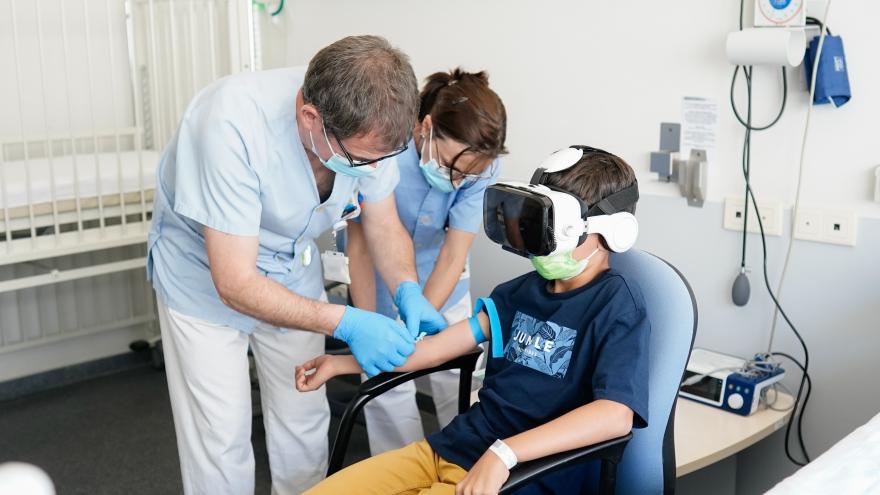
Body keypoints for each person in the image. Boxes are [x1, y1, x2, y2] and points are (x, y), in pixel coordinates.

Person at [146, 35, 447, 495]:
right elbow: (235, 282)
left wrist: (407, 286)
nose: (372, 170)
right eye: (360, 160)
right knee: (220, 436)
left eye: (381, 160)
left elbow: (383, 225)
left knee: (304, 416)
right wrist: (347, 321)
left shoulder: (373, 129)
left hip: (291, 261)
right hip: (204, 277)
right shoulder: (230, 125)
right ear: (310, 119)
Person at [297, 146, 650, 494]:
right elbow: (432, 350)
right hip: (453, 448)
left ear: (614, 232)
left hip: (526, 473)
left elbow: (614, 414)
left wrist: (505, 454)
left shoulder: (616, 304)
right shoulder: (516, 294)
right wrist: (342, 363)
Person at [345, 68, 507, 455]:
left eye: (469, 175)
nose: (457, 180)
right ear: (427, 126)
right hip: (378, 289)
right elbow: (363, 248)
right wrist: (368, 324)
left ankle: (457, 471)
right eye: (451, 166)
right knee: (387, 388)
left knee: (459, 385)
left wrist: (418, 322)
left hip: (443, 286)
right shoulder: (381, 145)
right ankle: (403, 475)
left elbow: (454, 254)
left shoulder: (482, 167)